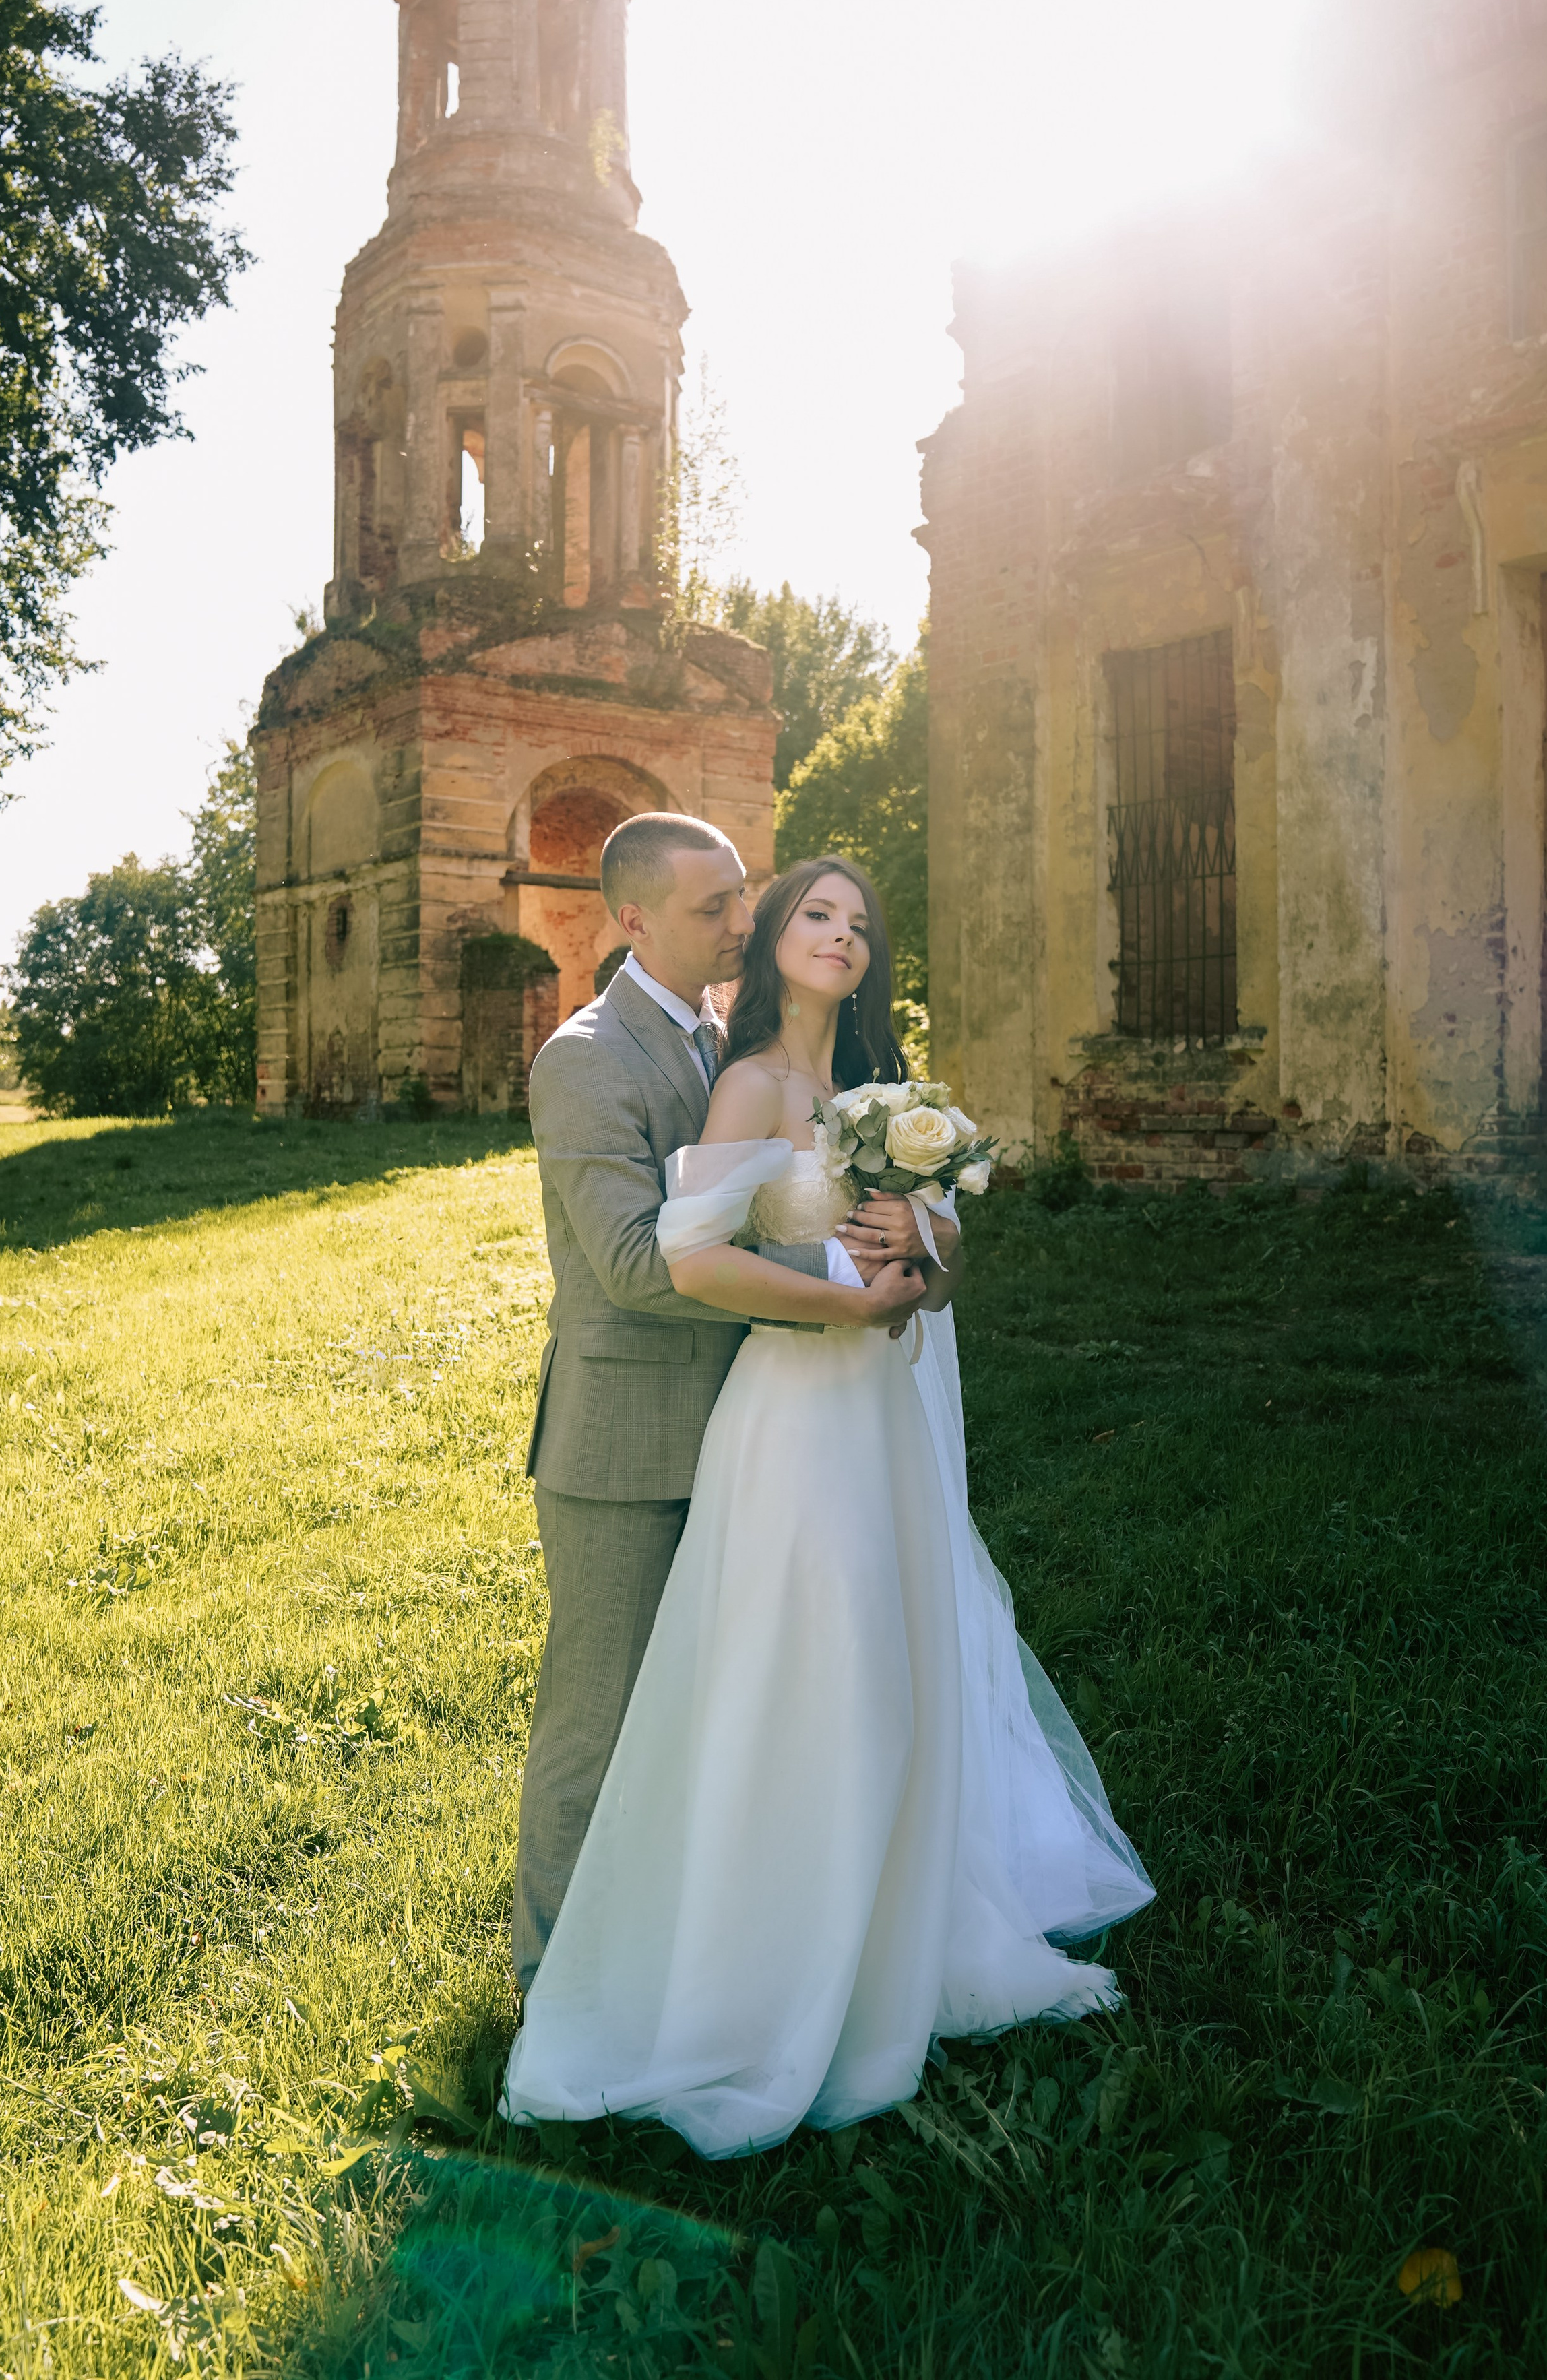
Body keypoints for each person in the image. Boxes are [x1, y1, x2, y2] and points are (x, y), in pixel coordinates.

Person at [504, 852, 1154, 2158]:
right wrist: (844, 1302)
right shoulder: (651, 1064)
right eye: (801, 911)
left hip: (861, 1421)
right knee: (644, 1710)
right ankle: (579, 1981)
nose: (805, 930)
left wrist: (924, 1255)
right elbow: (662, 1259)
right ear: (638, 915)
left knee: (865, 1681)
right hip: (715, 1420)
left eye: (852, 922)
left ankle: (861, 1941)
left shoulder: (857, 1087)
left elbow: (936, 1244)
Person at [511, 814, 923, 1996]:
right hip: (630, 1444)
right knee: (600, 1725)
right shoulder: (586, 1059)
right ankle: (556, 1989)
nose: (746, 922)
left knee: (725, 1717)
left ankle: (689, 1963)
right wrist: (844, 1275)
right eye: (715, 908)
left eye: (745, 896)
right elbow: (635, 1261)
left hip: (762, 1433)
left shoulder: (728, 1034)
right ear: (634, 920)